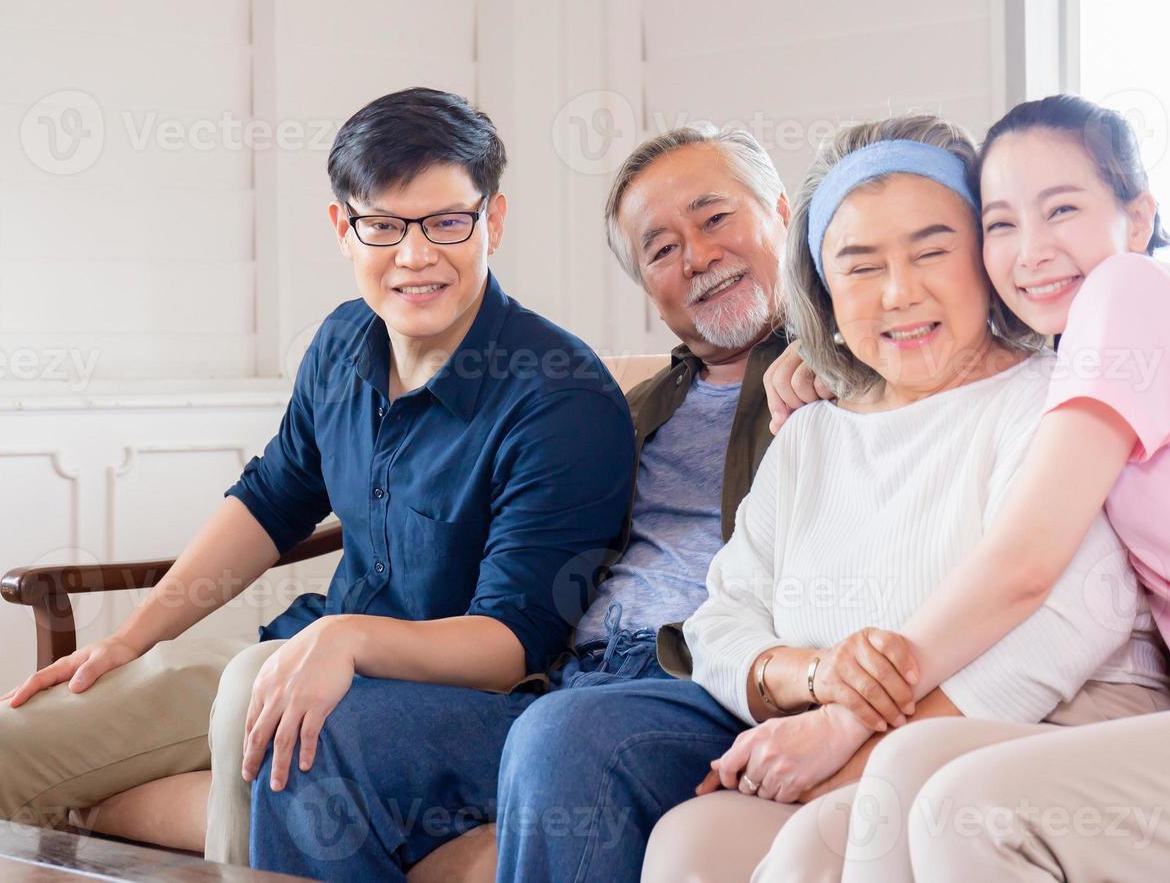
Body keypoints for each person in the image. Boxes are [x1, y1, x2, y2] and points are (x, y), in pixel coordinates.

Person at [0, 87, 636, 867]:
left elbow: (513, 643)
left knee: (252, 693)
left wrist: (345, 638)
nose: (415, 255)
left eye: (446, 222)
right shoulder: (338, 344)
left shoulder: (558, 396)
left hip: (447, 704)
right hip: (298, 650)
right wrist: (130, 640)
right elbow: (270, 502)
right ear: (344, 228)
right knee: (11, 740)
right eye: (383, 225)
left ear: (491, 221)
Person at [755, 94, 1170, 880]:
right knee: (910, 765)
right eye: (1000, 224)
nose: (1031, 250)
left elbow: (1025, 562)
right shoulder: (1098, 346)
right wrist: (823, 361)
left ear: (1137, 217)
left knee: (970, 809)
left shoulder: (1134, 292)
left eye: (1061, 209)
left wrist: (847, 715)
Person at [243, 122, 794, 881]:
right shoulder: (630, 410)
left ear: (784, 214)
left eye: (715, 218)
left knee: (564, 740)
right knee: (319, 732)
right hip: (567, 680)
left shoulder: (844, 382)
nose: (696, 256)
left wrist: (826, 347)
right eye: (661, 249)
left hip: (705, 681)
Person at [637, 113, 1170, 881]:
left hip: (1044, 728)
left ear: (986, 259)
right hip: (856, 742)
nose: (899, 292)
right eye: (859, 266)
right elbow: (723, 618)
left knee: (816, 849)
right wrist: (813, 677)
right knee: (691, 843)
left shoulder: (1051, 398)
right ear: (822, 291)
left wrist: (854, 742)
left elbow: (1068, 619)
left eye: (932, 251)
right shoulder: (809, 437)